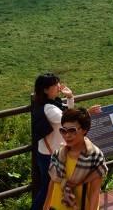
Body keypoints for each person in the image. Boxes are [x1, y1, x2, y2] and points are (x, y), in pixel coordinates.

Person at [31, 73, 100, 210]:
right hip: (49, 155)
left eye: (58, 82)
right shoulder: (49, 108)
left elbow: (67, 114)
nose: (59, 86)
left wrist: (69, 97)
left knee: (50, 187)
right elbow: (68, 120)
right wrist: (88, 112)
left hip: (51, 152)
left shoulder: (52, 103)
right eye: (55, 84)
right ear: (45, 90)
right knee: (47, 189)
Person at [44, 108, 107, 210]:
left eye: (72, 130)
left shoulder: (95, 157)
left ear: (84, 130)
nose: (67, 135)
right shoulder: (58, 154)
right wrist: (45, 206)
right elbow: (53, 181)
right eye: (63, 131)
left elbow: (95, 192)